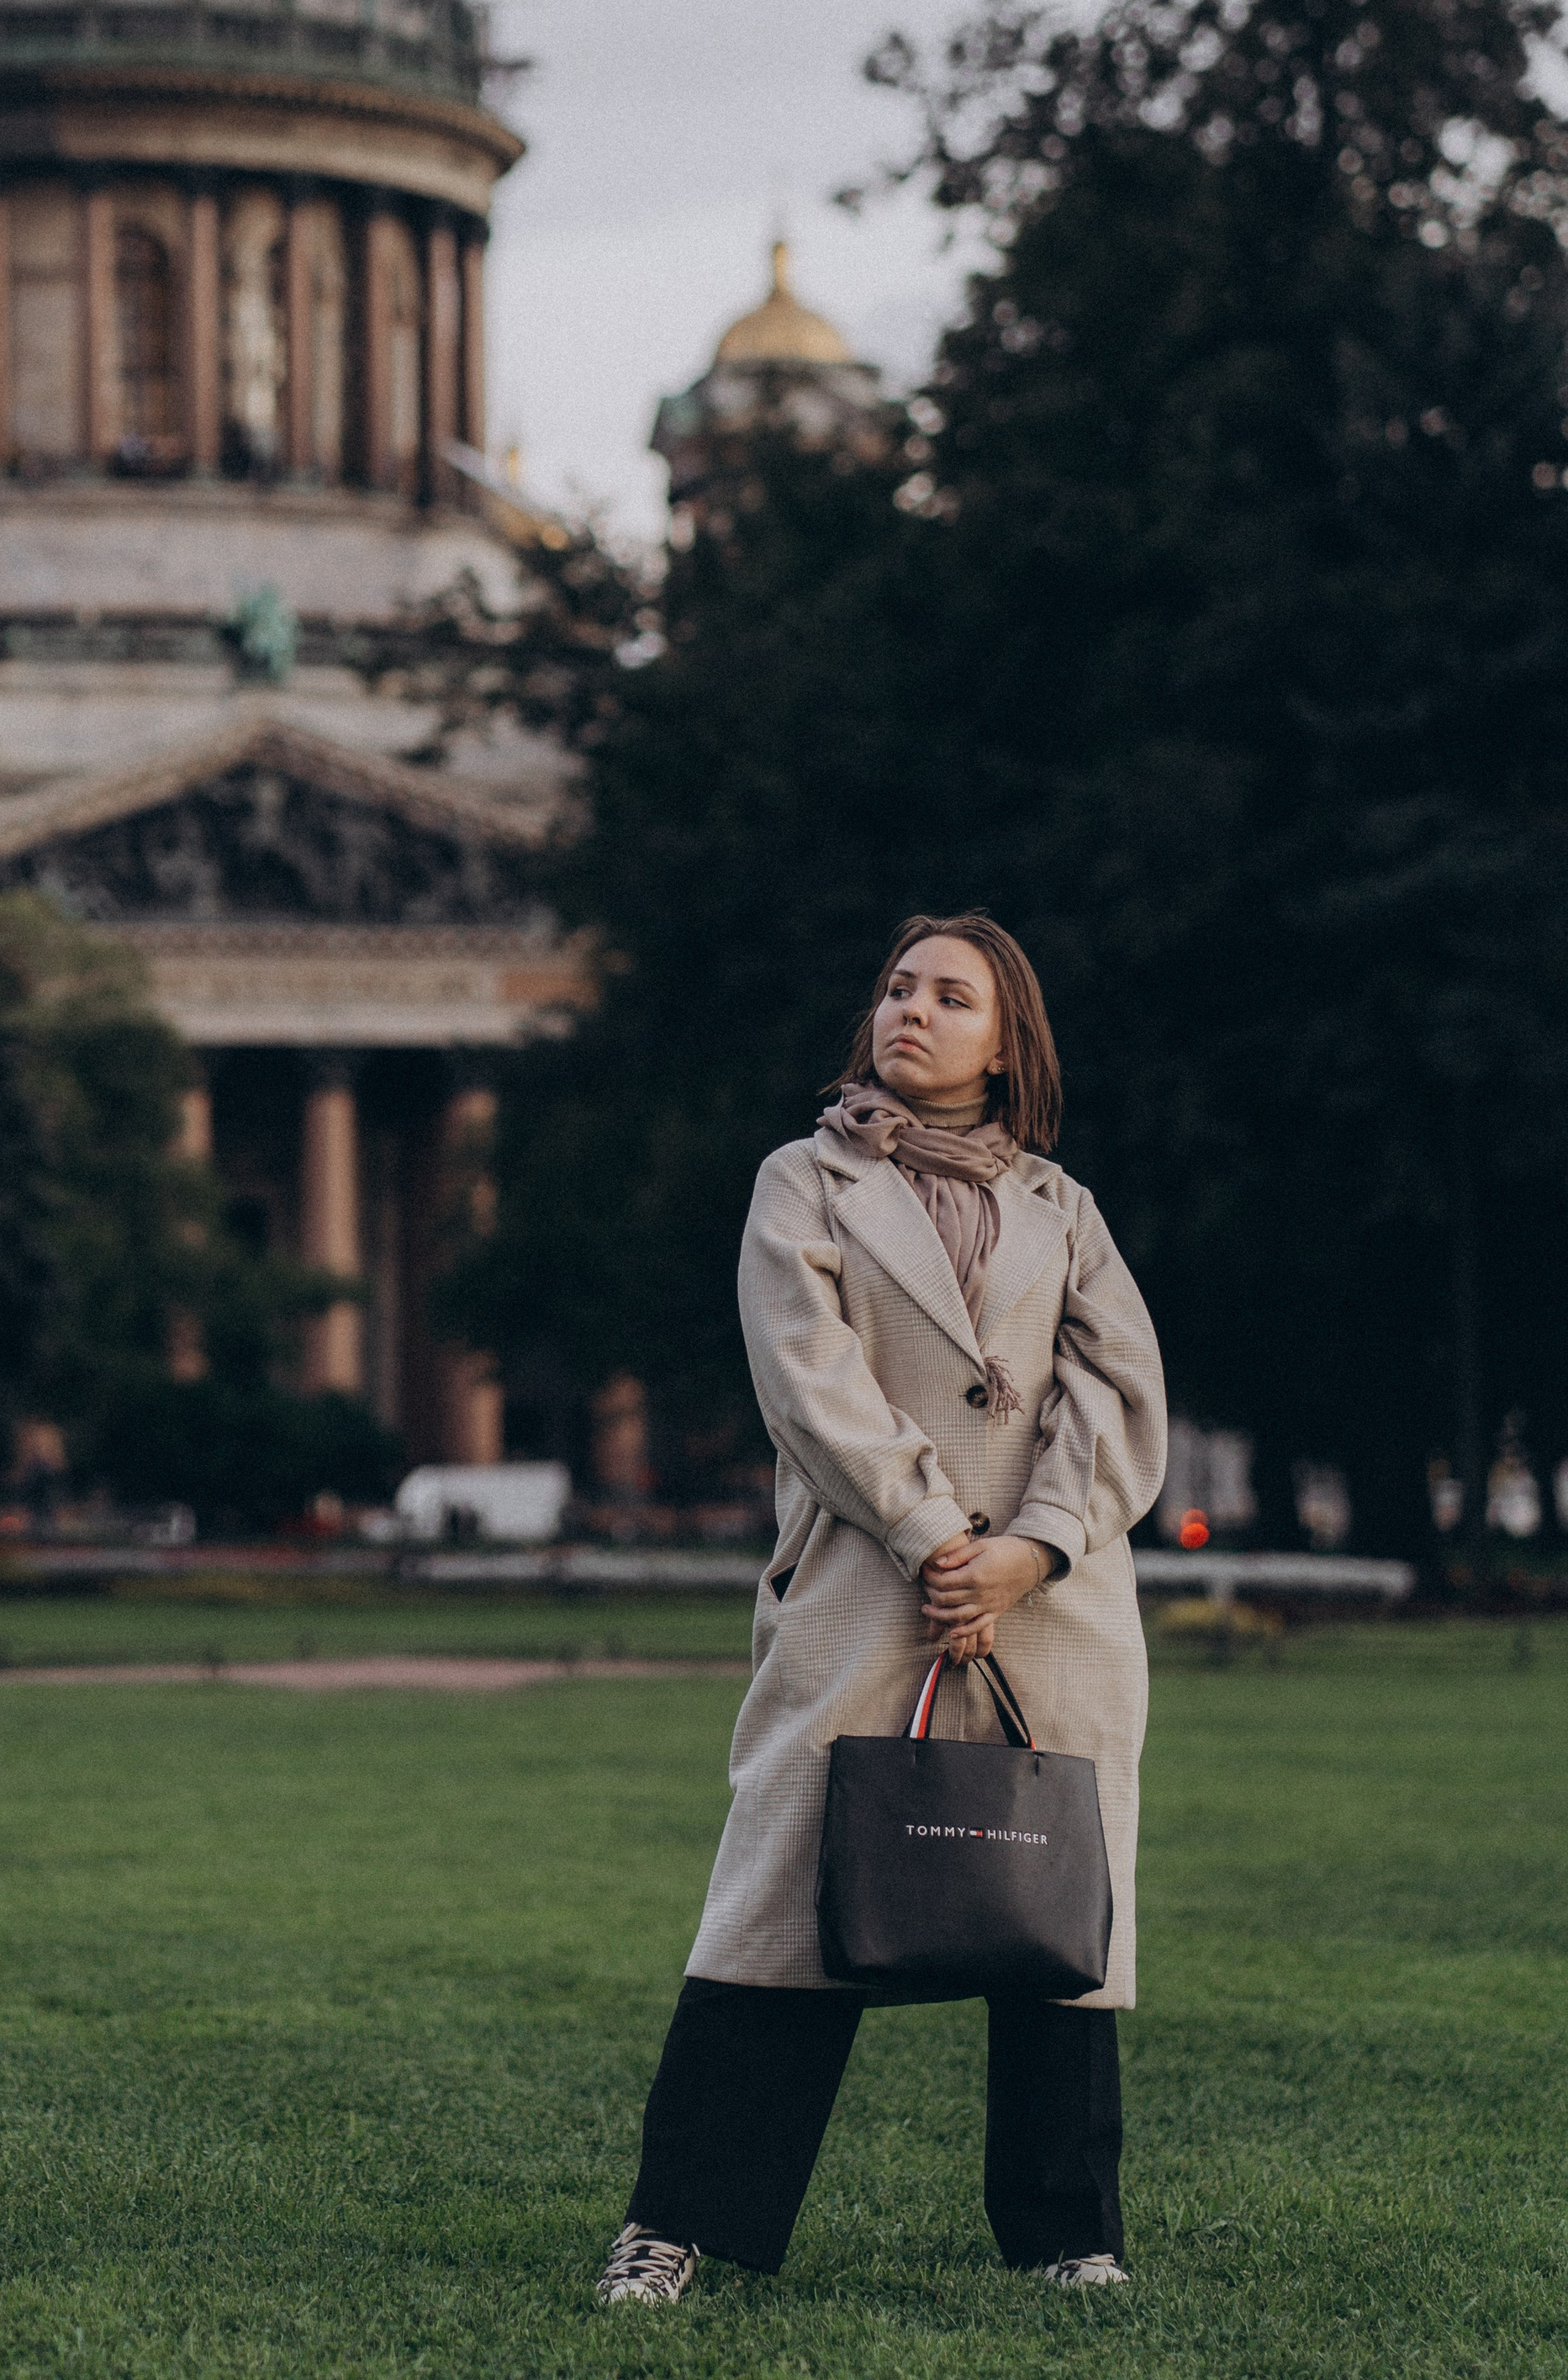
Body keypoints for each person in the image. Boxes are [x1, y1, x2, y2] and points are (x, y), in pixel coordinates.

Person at [597, 912, 1166, 2305]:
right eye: (897, 987)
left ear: (1004, 1039)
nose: (910, 1010)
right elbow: (808, 1377)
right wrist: (931, 1538)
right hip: (868, 1580)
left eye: (949, 995)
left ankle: (1067, 2233)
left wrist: (1030, 1549)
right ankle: (677, 2226)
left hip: (1056, 1601)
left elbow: (1117, 1386)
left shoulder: (1063, 1207)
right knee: (778, 1902)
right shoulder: (804, 1181)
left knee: (1058, 1912)